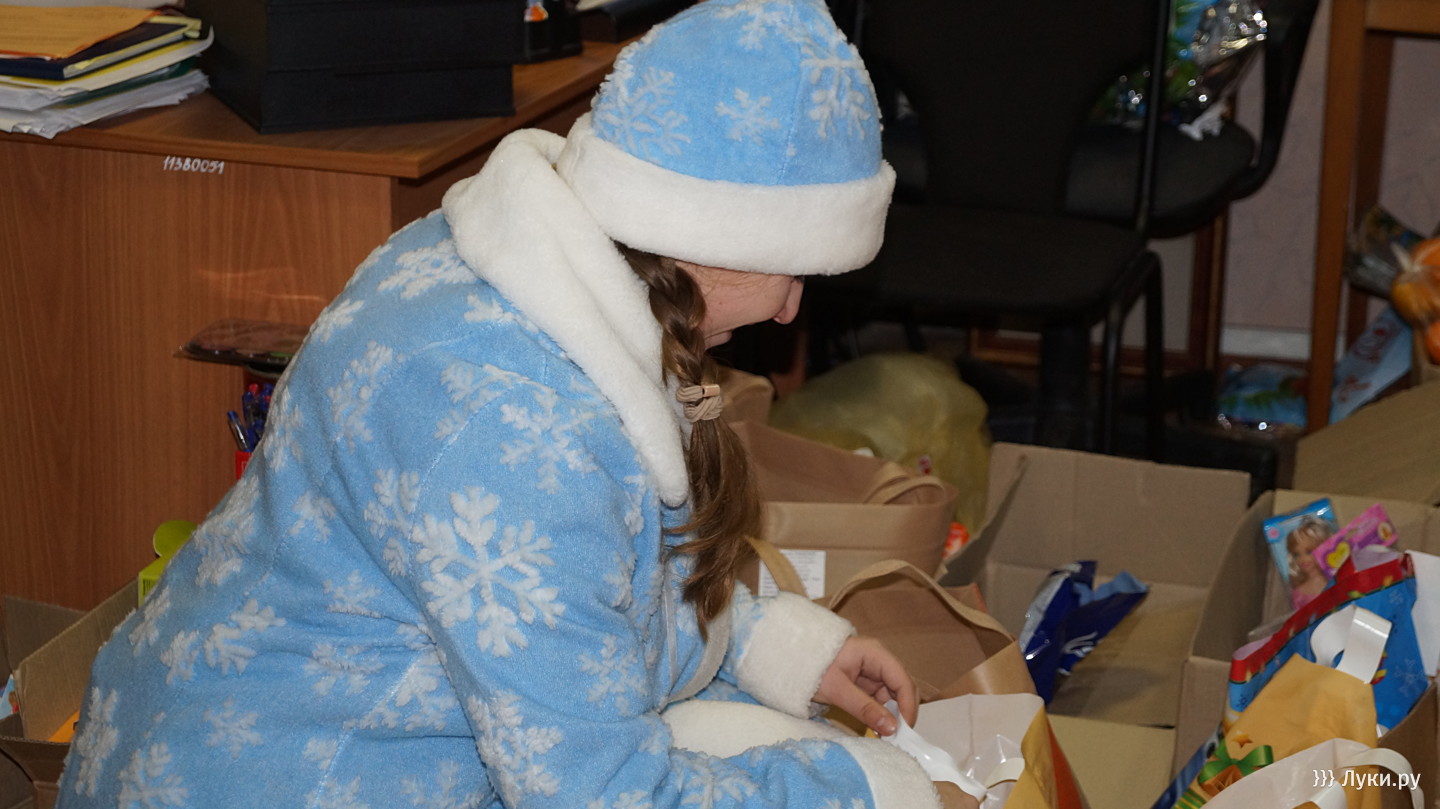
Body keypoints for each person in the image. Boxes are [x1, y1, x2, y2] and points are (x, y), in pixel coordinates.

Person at [54, 1, 960, 808]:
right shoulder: (524, 433)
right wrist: (863, 791)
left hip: (229, 730)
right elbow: (600, 794)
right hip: (290, 778)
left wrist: (765, 645)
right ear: (707, 229)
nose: (793, 309)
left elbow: (594, 590)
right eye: (794, 269)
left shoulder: (499, 262)